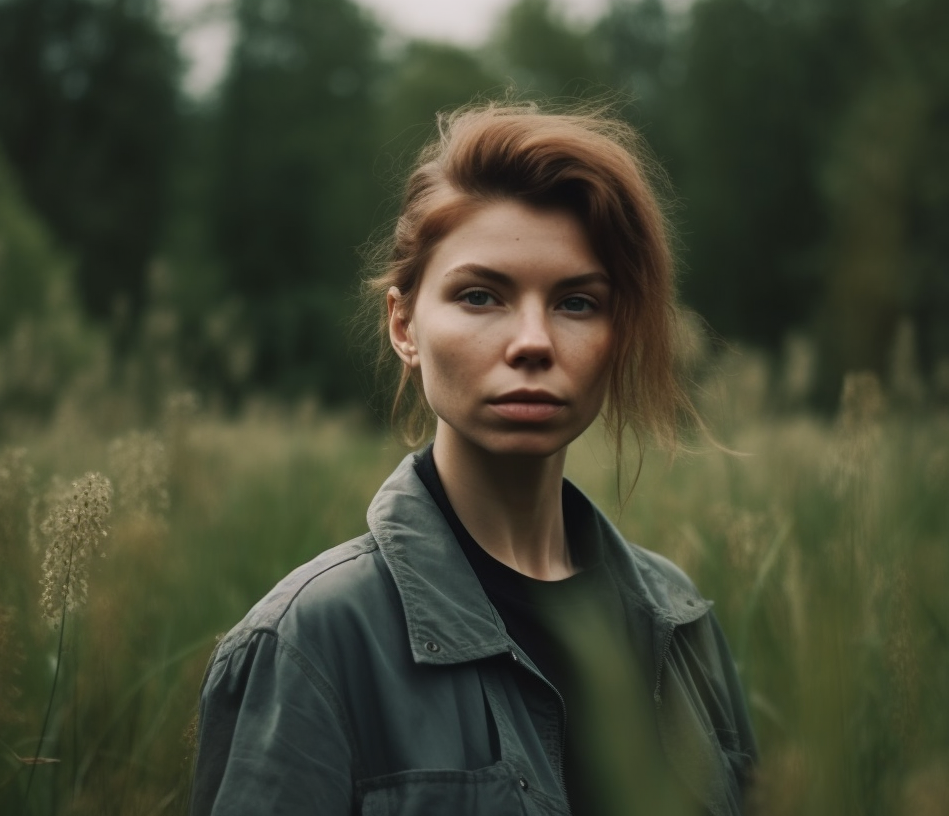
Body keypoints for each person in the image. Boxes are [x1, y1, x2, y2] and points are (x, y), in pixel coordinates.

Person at [189, 102, 757, 816]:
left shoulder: (678, 622)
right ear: (405, 326)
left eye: (577, 303)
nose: (532, 342)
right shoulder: (311, 642)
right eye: (481, 295)